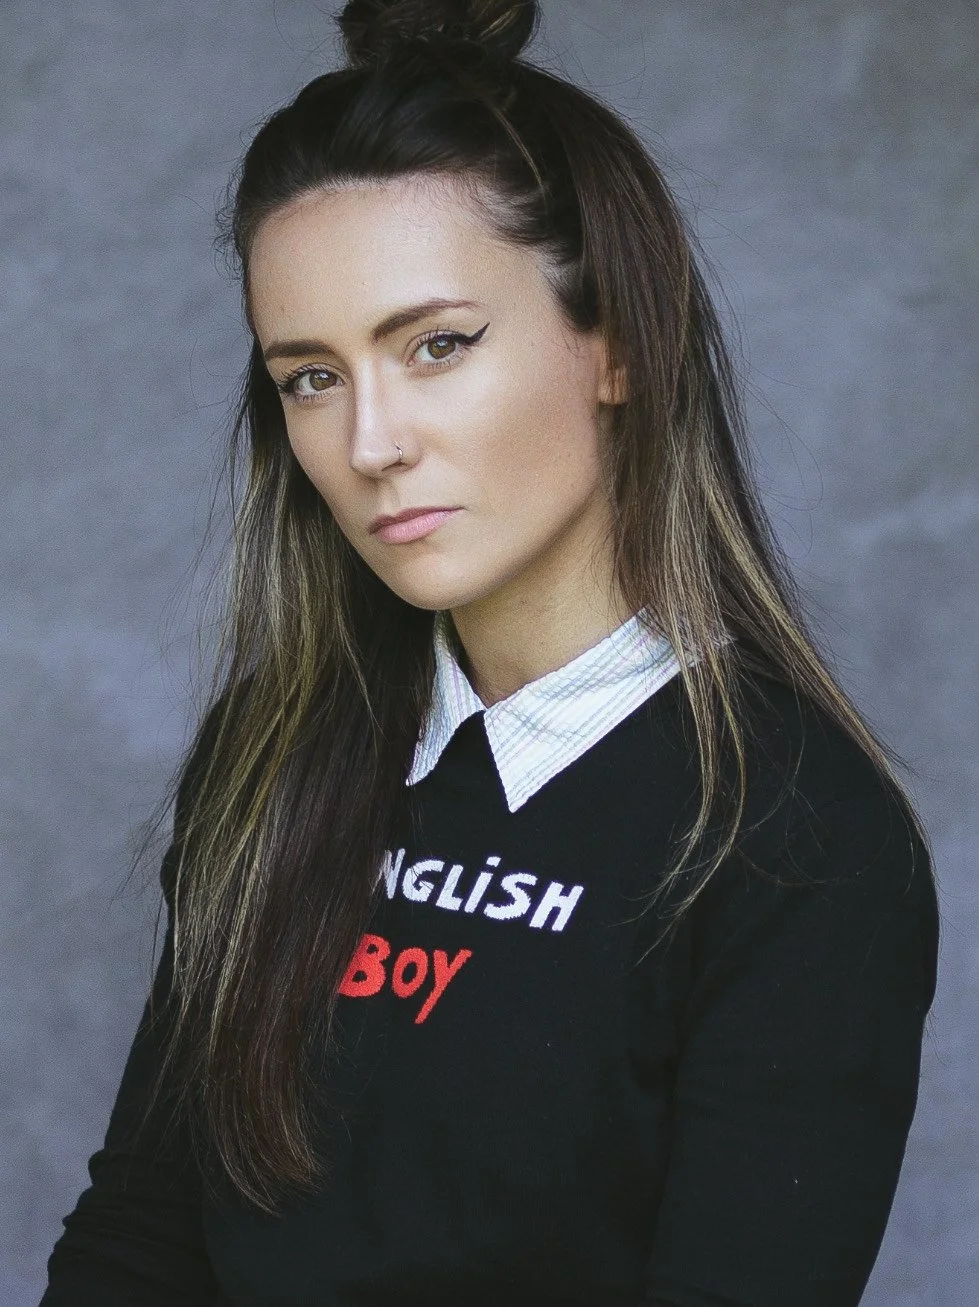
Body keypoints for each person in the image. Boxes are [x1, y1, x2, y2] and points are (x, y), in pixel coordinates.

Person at [41, 1, 940, 1304]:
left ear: (618, 343)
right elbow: (143, 1231)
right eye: (310, 375)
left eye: (437, 345)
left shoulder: (794, 836)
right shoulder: (270, 752)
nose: (369, 443)